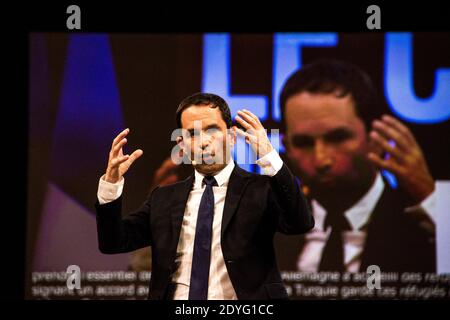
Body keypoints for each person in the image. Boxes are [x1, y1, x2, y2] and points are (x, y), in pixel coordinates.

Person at [95, 92, 314, 300]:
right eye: (192, 134)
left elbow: (300, 223)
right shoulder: (163, 198)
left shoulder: (261, 189)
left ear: (231, 136)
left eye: (212, 130)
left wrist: (269, 157)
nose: (204, 141)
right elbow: (113, 242)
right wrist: (111, 185)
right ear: (181, 144)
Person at [275, 59, 436, 273]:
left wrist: (433, 205)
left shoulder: (428, 226)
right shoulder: (267, 232)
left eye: (338, 138)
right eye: (303, 143)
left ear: (376, 138)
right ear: (287, 147)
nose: (321, 159)